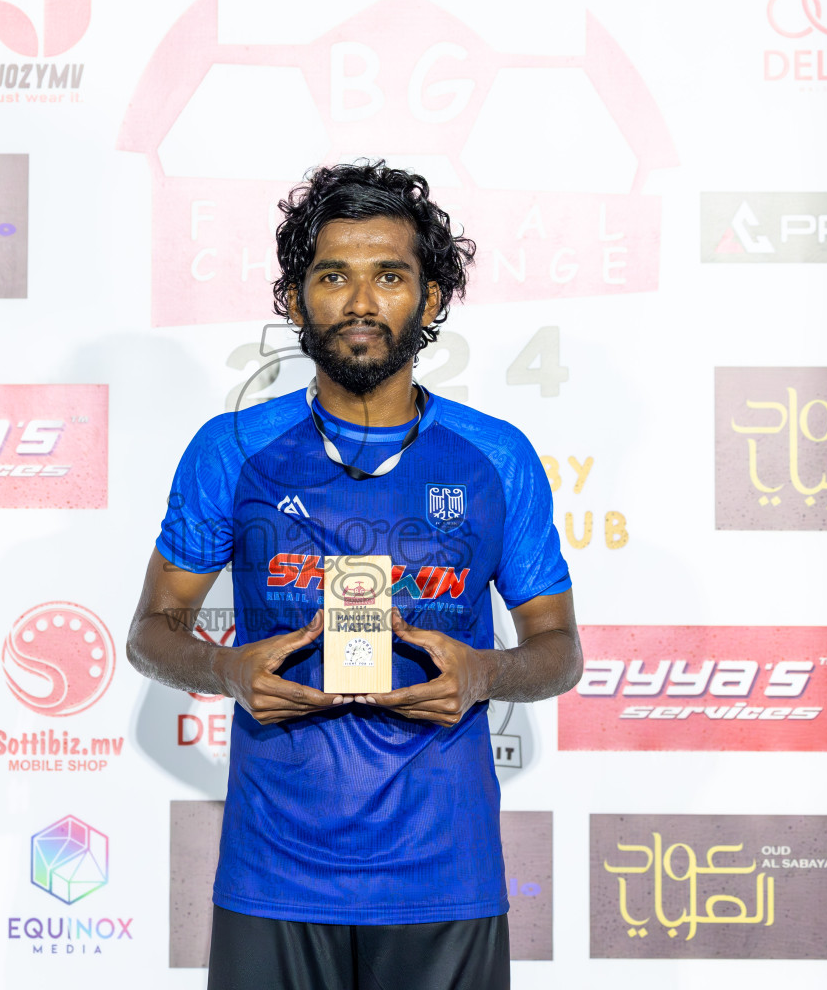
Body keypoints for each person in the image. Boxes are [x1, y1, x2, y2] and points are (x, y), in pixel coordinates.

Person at [127, 160, 581, 989]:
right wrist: (225, 668)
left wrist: (485, 672)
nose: (362, 302)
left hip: (445, 875)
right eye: (334, 276)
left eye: (390, 276)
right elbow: (151, 634)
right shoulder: (230, 449)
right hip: (274, 874)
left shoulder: (495, 457)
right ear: (295, 300)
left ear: (432, 299)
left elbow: (558, 650)